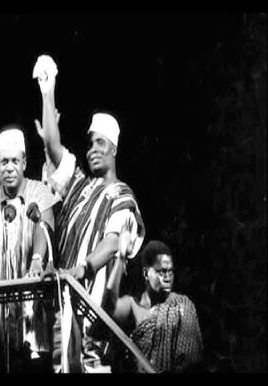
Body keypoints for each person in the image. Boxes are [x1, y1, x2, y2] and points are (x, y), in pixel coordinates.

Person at [32, 54, 146, 373]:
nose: (92, 149)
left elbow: (112, 243)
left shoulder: (123, 195)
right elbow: (55, 148)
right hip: (64, 309)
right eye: (90, 144)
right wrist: (47, 90)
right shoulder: (80, 184)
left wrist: (84, 267)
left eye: (99, 143)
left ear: (113, 148)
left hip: (96, 320)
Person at [0, 127, 59, 373]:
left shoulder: (39, 191)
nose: (9, 168)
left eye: (14, 161)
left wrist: (37, 260)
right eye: (4, 162)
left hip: (33, 324)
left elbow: (44, 224)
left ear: (24, 162)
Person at [104, 240, 203, 373]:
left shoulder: (182, 305)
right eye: (161, 272)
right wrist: (121, 258)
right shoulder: (133, 305)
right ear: (146, 273)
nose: (167, 277)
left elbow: (190, 360)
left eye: (170, 271)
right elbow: (109, 308)